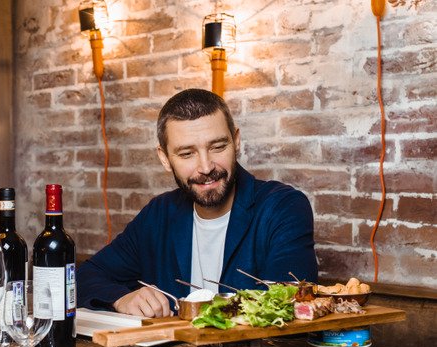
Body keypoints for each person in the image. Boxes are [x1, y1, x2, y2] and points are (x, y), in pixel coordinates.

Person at [77, 88, 318, 317]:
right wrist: (122, 299)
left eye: (218, 147)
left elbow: (290, 302)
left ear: (236, 141)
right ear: (164, 158)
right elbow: (85, 276)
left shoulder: (283, 207)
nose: (205, 167)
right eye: (186, 154)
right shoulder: (158, 214)